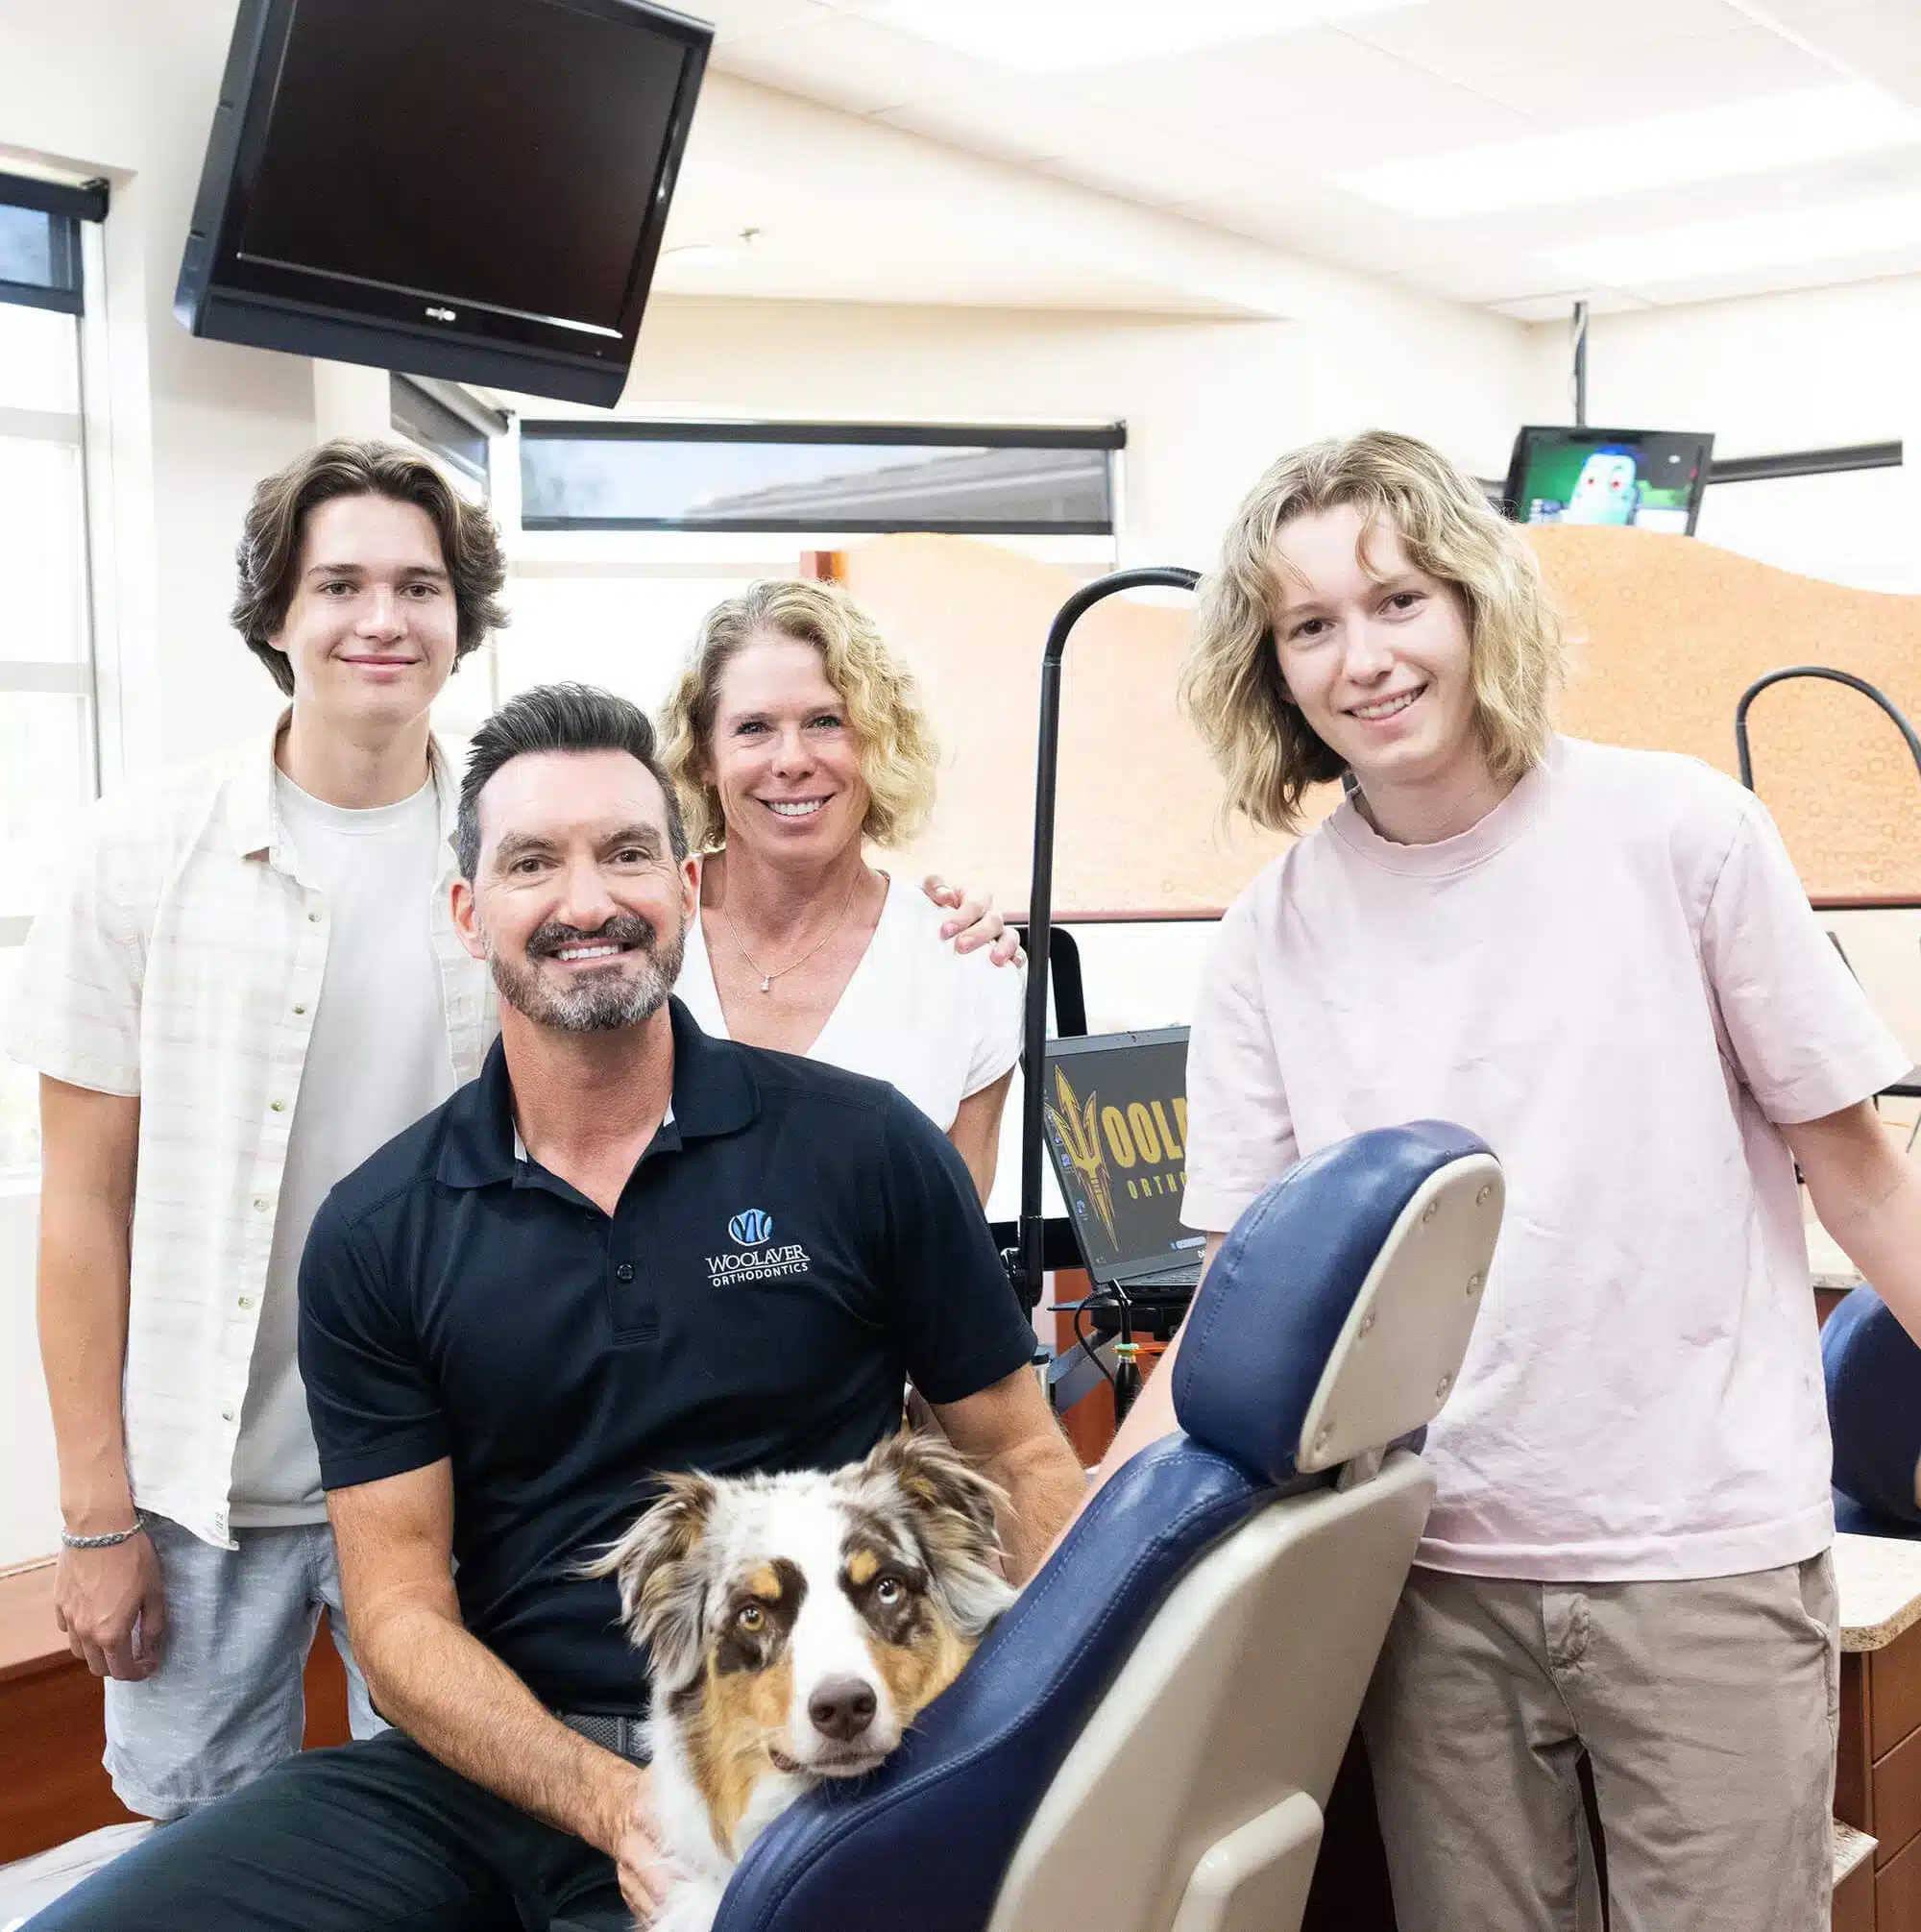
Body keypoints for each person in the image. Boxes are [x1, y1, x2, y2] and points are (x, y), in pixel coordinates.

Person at [26, 683, 1087, 1932]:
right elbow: (399, 1616)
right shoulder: (381, 1229)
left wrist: (1045, 1733)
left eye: (626, 853)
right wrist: (614, 1802)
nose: (587, 902)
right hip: (497, 1765)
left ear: (683, 885)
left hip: (797, 1755)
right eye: (533, 862)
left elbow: (1019, 1454)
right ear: (467, 911)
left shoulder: (863, 1150)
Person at [1097, 430, 1921, 1931]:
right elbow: (1238, 1299)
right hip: (1425, 1577)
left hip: (1699, 1557)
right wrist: (1082, 1557)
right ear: (1270, 669)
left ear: (1479, 601)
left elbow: (1862, 1176)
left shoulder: (1683, 835)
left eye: (1398, 599)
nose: (1364, 657)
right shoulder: (1271, 937)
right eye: (1311, 624)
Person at [5, 438, 507, 1818]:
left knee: (464, 1838)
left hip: (453, 1473)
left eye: (418, 585)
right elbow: (83, 1204)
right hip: (198, 1489)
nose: (381, 618)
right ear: (276, 613)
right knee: (203, 1861)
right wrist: (94, 1516)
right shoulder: (137, 852)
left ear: (460, 617)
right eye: (338, 583)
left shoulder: (516, 854)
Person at [660, 578, 1023, 1202]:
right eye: (754, 727)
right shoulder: (640, 936)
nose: (792, 759)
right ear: (703, 758)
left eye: (826, 722)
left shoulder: (965, 969)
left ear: (879, 743)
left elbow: (955, 1246)